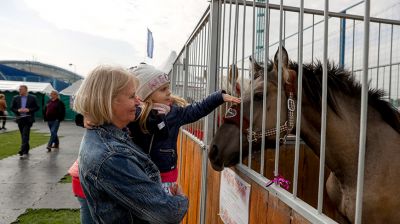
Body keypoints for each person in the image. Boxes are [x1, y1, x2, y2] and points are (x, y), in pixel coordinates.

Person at [73, 65, 188, 223]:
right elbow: (167, 213)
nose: (139, 101)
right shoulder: (113, 156)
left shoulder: (106, 135)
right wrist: (180, 200)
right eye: (132, 96)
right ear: (109, 101)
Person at [129, 64, 241, 194]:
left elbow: (196, 109)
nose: (169, 92)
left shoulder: (174, 113)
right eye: (163, 89)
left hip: (167, 179)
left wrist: (218, 97)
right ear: (147, 95)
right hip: (142, 178)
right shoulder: (136, 116)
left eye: (168, 88)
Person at [11, 85, 39, 159]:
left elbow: (37, 107)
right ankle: (26, 149)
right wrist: (18, 110)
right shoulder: (15, 98)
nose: (19, 90)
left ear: (26, 90)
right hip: (20, 119)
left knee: (25, 134)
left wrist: (29, 110)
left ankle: (22, 150)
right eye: (19, 89)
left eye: (21, 89)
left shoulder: (33, 97)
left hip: (28, 119)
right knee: (23, 135)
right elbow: (12, 108)